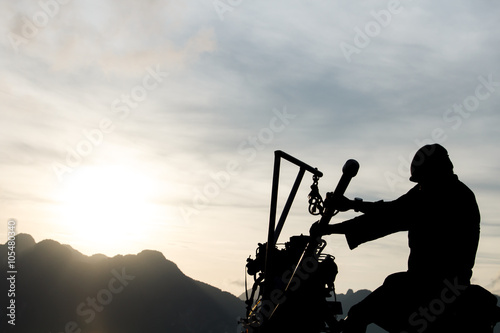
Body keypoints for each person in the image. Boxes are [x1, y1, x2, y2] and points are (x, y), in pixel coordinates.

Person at [310, 144, 481, 332]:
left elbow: (392, 214)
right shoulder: (432, 191)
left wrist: (339, 219)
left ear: (434, 171)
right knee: (376, 300)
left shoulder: (447, 196)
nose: (419, 184)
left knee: (360, 313)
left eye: (422, 179)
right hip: (427, 282)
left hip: (432, 286)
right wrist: (338, 221)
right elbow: (392, 213)